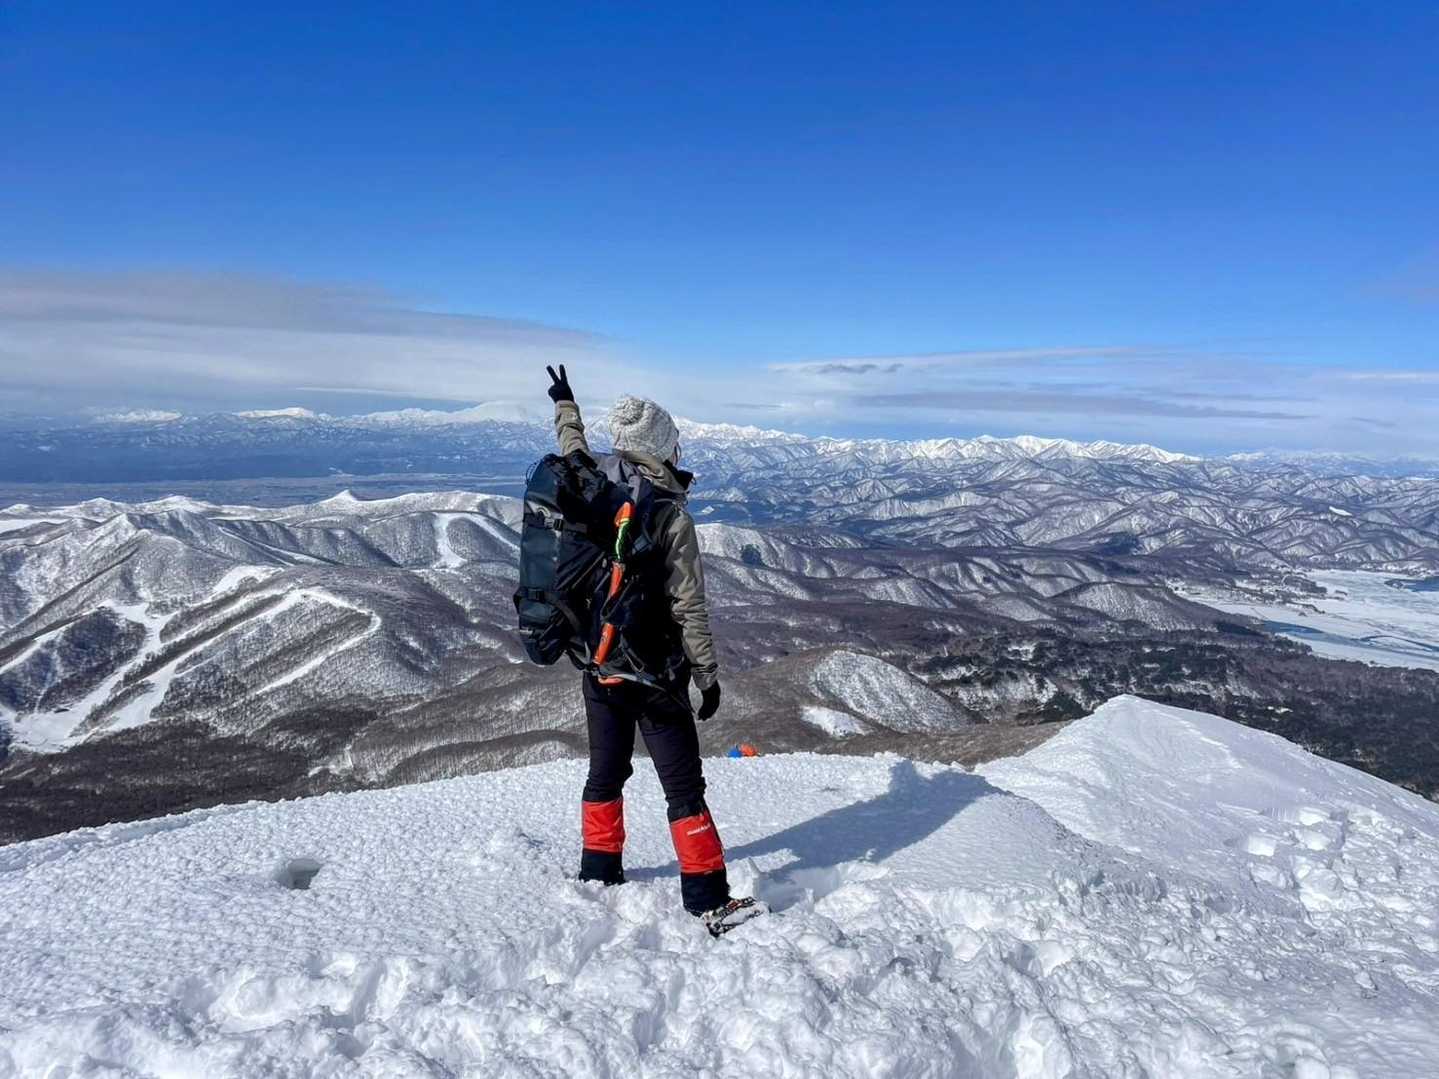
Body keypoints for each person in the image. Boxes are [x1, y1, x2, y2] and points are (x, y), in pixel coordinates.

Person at [545, 364, 756, 932]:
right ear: (661, 446)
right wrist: (706, 675)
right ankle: (708, 898)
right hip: (656, 675)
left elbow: (572, 447)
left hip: (598, 664)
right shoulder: (669, 513)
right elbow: (689, 605)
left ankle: (599, 874)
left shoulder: (590, 483)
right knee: (683, 788)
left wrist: (565, 405)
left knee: (604, 775)